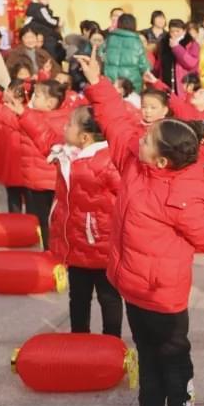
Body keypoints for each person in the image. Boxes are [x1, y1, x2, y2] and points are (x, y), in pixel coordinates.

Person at [77, 52, 204, 406]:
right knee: (145, 350)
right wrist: (97, 82)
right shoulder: (134, 159)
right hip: (132, 285)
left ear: (161, 159)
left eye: (147, 138)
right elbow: (115, 121)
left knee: (174, 353)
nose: (139, 134)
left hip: (165, 292)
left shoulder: (183, 194)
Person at [16, 102, 123, 336]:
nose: (64, 127)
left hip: (104, 246)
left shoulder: (107, 161)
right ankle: (79, 342)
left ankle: (113, 344)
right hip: (75, 245)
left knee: (109, 297)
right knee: (78, 297)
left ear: (84, 136)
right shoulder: (66, 154)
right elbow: (41, 135)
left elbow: (129, 197)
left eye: (70, 124)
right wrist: (23, 113)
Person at [0, 76, 72, 247]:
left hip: (49, 181)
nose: (32, 99)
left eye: (36, 96)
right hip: (42, 181)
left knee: (49, 222)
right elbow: (1, 112)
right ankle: (52, 253)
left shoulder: (47, 120)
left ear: (50, 103)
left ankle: (52, 253)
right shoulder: (34, 116)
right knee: (47, 221)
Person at [101, 14, 153, 93]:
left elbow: (100, 55)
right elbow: (144, 66)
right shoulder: (137, 41)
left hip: (110, 81)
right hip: (131, 83)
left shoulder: (109, 39)